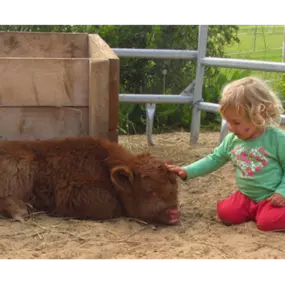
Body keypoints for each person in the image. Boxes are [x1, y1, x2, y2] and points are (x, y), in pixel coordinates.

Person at [166, 76, 285, 232]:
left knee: (267, 223)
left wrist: (282, 192)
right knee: (226, 213)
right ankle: (256, 211)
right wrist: (187, 171)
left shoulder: (277, 139)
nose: (230, 128)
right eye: (227, 121)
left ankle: (265, 212)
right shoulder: (232, 141)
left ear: (259, 115)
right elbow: (214, 159)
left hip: (273, 198)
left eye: (236, 122)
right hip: (247, 196)